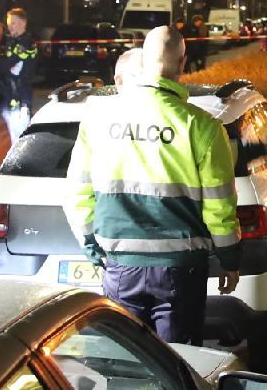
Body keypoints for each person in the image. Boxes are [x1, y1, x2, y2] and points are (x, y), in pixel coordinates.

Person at [70, 27, 239, 343]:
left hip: (119, 266)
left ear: (143, 60)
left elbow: (79, 193)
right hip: (180, 270)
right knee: (179, 365)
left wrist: (92, 247)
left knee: (128, 361)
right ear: (183, 62)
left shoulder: (99, 120)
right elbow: (220, 206)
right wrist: (230, 260)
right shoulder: (202, 127)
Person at [0, 7, 37, 177]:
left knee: (20, 138)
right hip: (9, 95)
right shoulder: (14, 42)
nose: (9, 27)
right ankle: (17, 171)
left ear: (23, 23)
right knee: (15, 137)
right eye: (9, 23)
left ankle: (23, 174)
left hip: (18, 97)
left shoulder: (24, 43)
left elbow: (6, 67)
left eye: (13, 23)